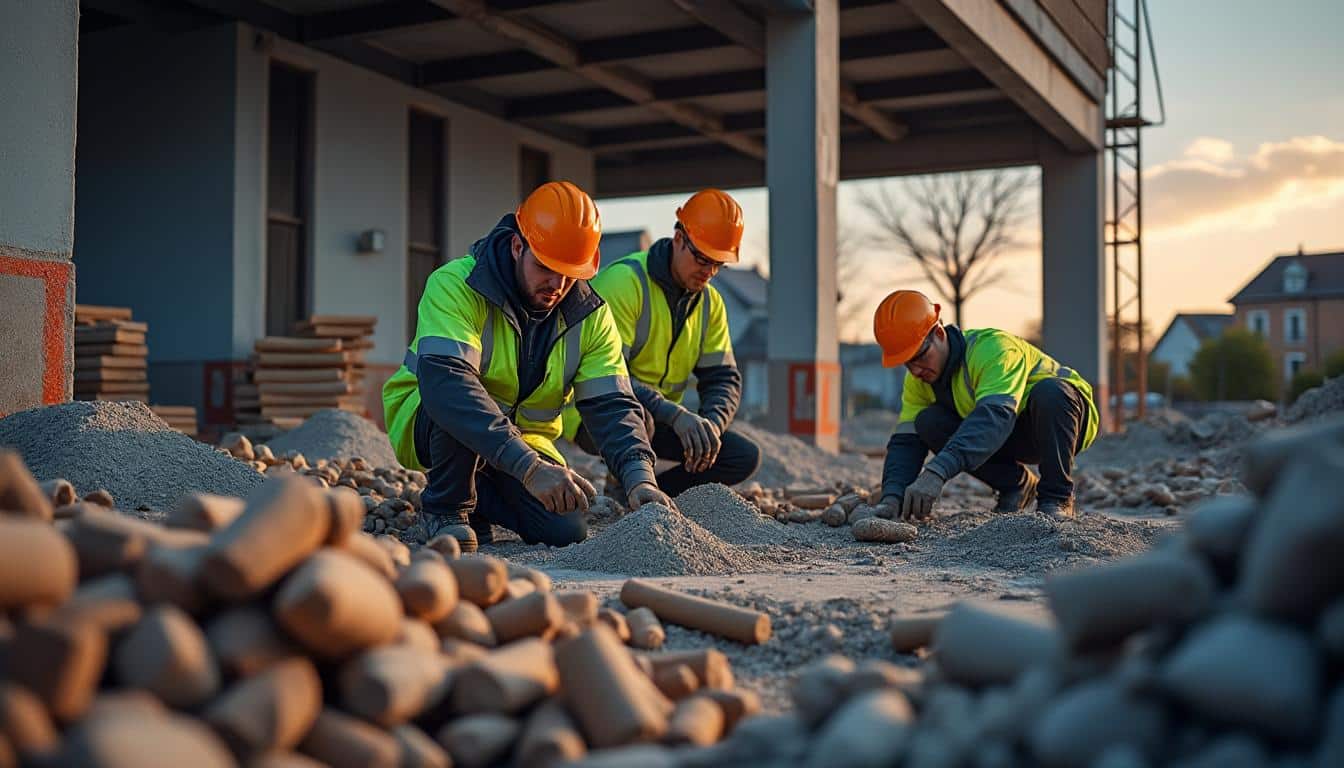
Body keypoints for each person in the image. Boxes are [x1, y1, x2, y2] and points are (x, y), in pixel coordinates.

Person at [382, 181, 673, 551]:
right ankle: (447, 508)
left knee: (564, 530)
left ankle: (480, 500)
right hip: (432, 419)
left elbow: (612, 402)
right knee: (458, 397)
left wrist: (639, 478)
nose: (558, 284)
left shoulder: (592, 316)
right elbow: (447, 383)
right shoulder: (456, 285)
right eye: (546, 268)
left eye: (571, 273)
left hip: (523, 438)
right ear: (518, 246)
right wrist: (530, 469)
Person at [563, 188, 761, 500]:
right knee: (639, 417)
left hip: (661, 416)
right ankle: (630, 477)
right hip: (597, 410)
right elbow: (609, 375)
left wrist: (710, 426)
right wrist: (674, 414)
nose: (708, 272)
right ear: (679, 239)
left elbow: (723, 377)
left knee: (741, 456)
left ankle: (650, 493)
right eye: (701, 258)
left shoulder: (710, 303)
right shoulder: (624, 283)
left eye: (718, 264)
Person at [872, 290, 1098, 521]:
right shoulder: (919, 380)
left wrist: (936, 472)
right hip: (1006, 432)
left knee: (1050, 393)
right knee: (928, 422)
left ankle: (1056, 498)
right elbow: (906, 441)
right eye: (907, 363)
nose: (916, 370)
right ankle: (1017, 485)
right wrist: (892, 495)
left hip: (1065, 420)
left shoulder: (993, 349)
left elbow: (994, 417)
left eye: (920, 356)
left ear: (939, 333)